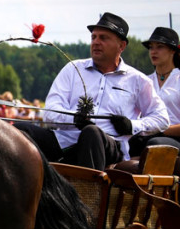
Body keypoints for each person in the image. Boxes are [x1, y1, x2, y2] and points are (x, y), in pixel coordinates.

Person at [15, 12, 168, 170]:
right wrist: (73, 119)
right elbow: (50, 111)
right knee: (19, 130)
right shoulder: (73, 69)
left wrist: (132, 126)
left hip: (109, 144)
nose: (96, 42)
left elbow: (162, 118)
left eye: (103, 38)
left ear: (121, 46)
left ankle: (88, 193)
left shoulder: (137, 80)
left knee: (91, 132)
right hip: (65, 140)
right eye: (93, 37)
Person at [128, 26, 180, 158]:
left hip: (174, 139)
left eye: (159, 47)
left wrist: (160, 130)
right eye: (151, 47)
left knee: (154, 143)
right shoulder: (145, 81)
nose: (153, 51)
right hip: (147, 135)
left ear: (173, 50)